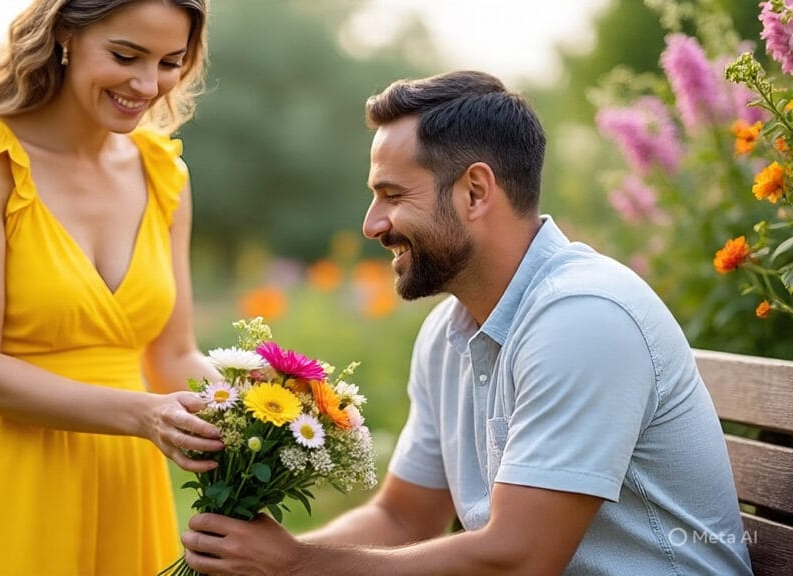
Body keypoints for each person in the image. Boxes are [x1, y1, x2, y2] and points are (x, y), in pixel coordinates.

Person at [179, 70, 754, 575]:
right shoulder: (448, 333)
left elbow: (519, 560)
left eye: (392, 194)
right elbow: (404, 516)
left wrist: (296, 567)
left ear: (475, 191)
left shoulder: (583, 318)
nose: (371, 224)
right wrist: (257, 563)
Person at [0, 1, 225, 574]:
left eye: (170, 62)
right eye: (126, 55)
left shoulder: (163, 172)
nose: (147, 84)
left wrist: (256, 409)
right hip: (9, 478)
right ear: (66, 34)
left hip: (127, 480)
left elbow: (173, 353)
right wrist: (143, 415)